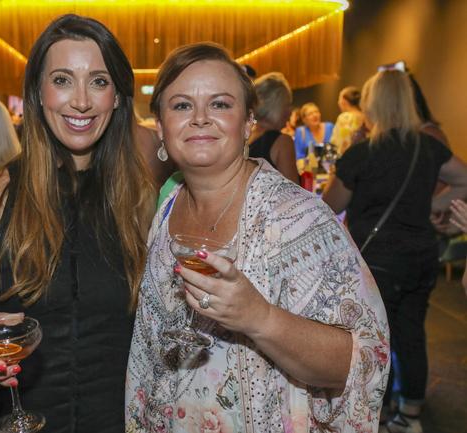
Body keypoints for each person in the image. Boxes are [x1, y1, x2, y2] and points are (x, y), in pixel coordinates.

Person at [126, 42, 389, 433]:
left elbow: (361, 360)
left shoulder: (297, 218)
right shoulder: (166, 210)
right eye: (181, 105)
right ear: (161, 128)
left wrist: (259, 318)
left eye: (220, 104)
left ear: (249, 122)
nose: (200, 118)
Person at [0, 14, 157, 432]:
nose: (80, 100)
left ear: (118, 97)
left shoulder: (139, 202)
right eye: (62, 80)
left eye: (99, 81)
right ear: (37, 93)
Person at [322, 70, 467, 433]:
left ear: (372, 104)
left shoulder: (362, 153)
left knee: (374, 341)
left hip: (376, 264)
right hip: (421, 257)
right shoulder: (428, 146)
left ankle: (379, 413)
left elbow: (330, 204)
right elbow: (464, 178)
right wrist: (439, 205)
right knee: (412, 333)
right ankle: (412, 415)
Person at [246, 72, 299, 183]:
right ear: (276, 106)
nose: (290, 112)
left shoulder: (245, 136)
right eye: (287, 105)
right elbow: (293, 196)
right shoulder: (283, 142)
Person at [330, 86, 364, 155]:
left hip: (350, 157)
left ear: (344, 101)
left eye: (339, 99)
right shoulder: (365, 116)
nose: (338, 102)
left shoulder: (345, 118)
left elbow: (338, 143)